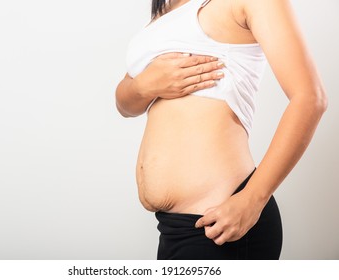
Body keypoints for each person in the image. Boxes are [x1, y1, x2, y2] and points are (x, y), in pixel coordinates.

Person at [115, 0, 327, 260]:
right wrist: (144, 86)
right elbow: (125, 105)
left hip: (221, 223)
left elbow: (310, 98)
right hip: (172, 228)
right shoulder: (165, 13)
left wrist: (252, 199)